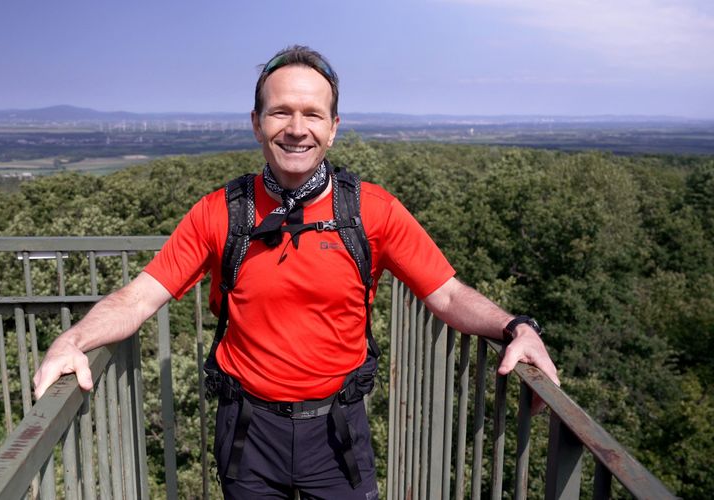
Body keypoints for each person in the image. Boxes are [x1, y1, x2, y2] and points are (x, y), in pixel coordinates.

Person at [33, 45, 559, 499]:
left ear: (333, 128)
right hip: (248, 430)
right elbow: (140, 297)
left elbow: (445, 294)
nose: (296, 128)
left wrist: (517, 327)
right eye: (280, 112)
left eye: (312, 113)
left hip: (338, 430)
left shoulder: (370, 211)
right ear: (256, 122)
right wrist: (74, 340)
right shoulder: (221, 211)